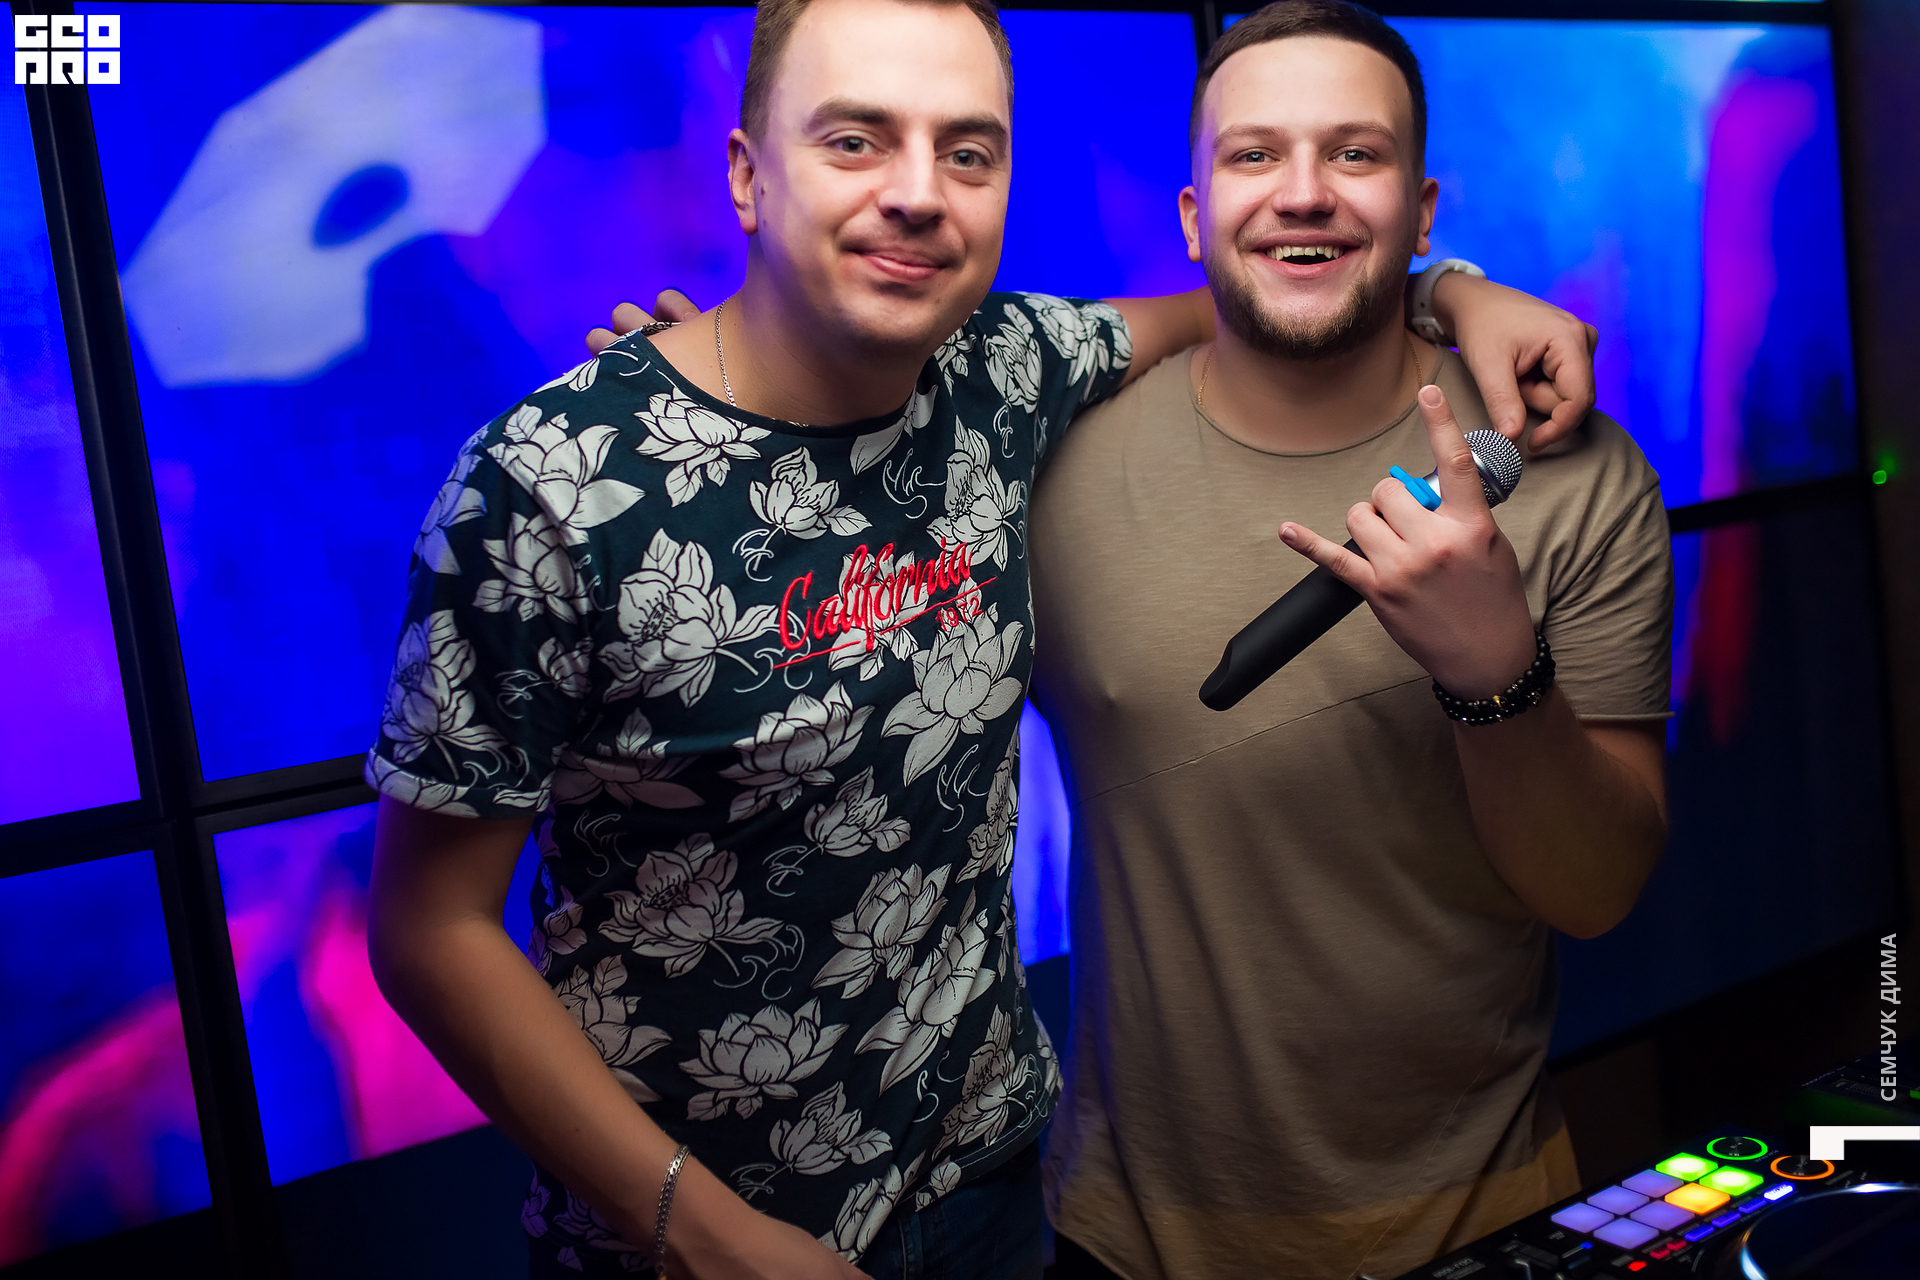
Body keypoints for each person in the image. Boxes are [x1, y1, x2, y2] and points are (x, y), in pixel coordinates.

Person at [366, 0, 1597, 1276]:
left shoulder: (1000, 368)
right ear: (747, 174)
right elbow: (428, 931)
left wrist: (1450, 288)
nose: (917, 192)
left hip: (994, 1186)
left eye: (967, 151)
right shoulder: (551, 485)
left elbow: (1232, 303)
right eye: (855, 139)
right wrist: (701, 1228)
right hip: (682, 1237)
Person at [1027, 5, 1672, 1278]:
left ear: (1423, 211)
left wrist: (1498, 673)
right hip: (1125, 1234)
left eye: (1355, 153)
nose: (1304, 192)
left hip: (1476, 1221)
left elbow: (1599, 891)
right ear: (1194, 215)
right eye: (1255, 155)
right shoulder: (1052, 465)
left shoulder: (1573, 468)